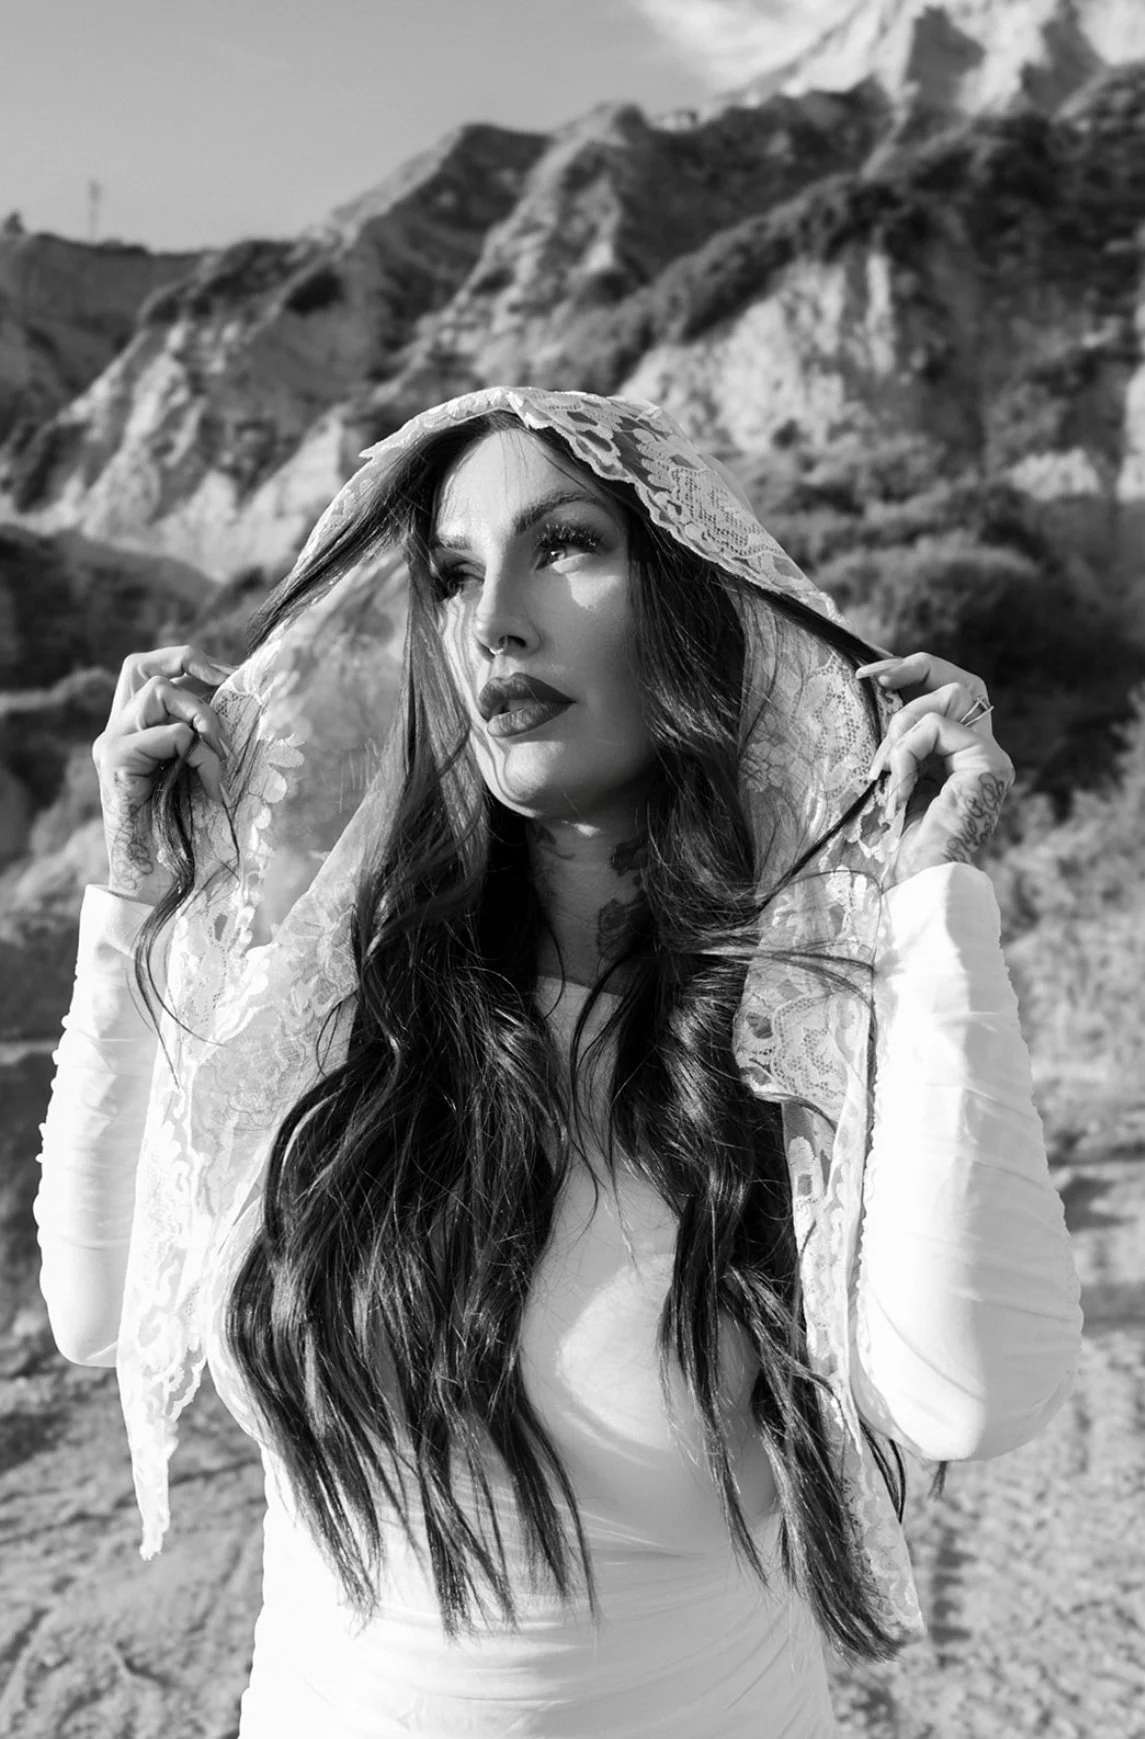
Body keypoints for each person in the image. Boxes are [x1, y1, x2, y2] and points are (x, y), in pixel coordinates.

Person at [34, 388, 1082, 1738]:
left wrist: (939, 900)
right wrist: (130, 903)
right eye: (455, 573)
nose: (495, 621)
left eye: (567, 546)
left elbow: (973, 1392)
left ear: (696, 607)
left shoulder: (805, 1027)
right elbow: (95, 1302)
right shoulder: (336, 1006)